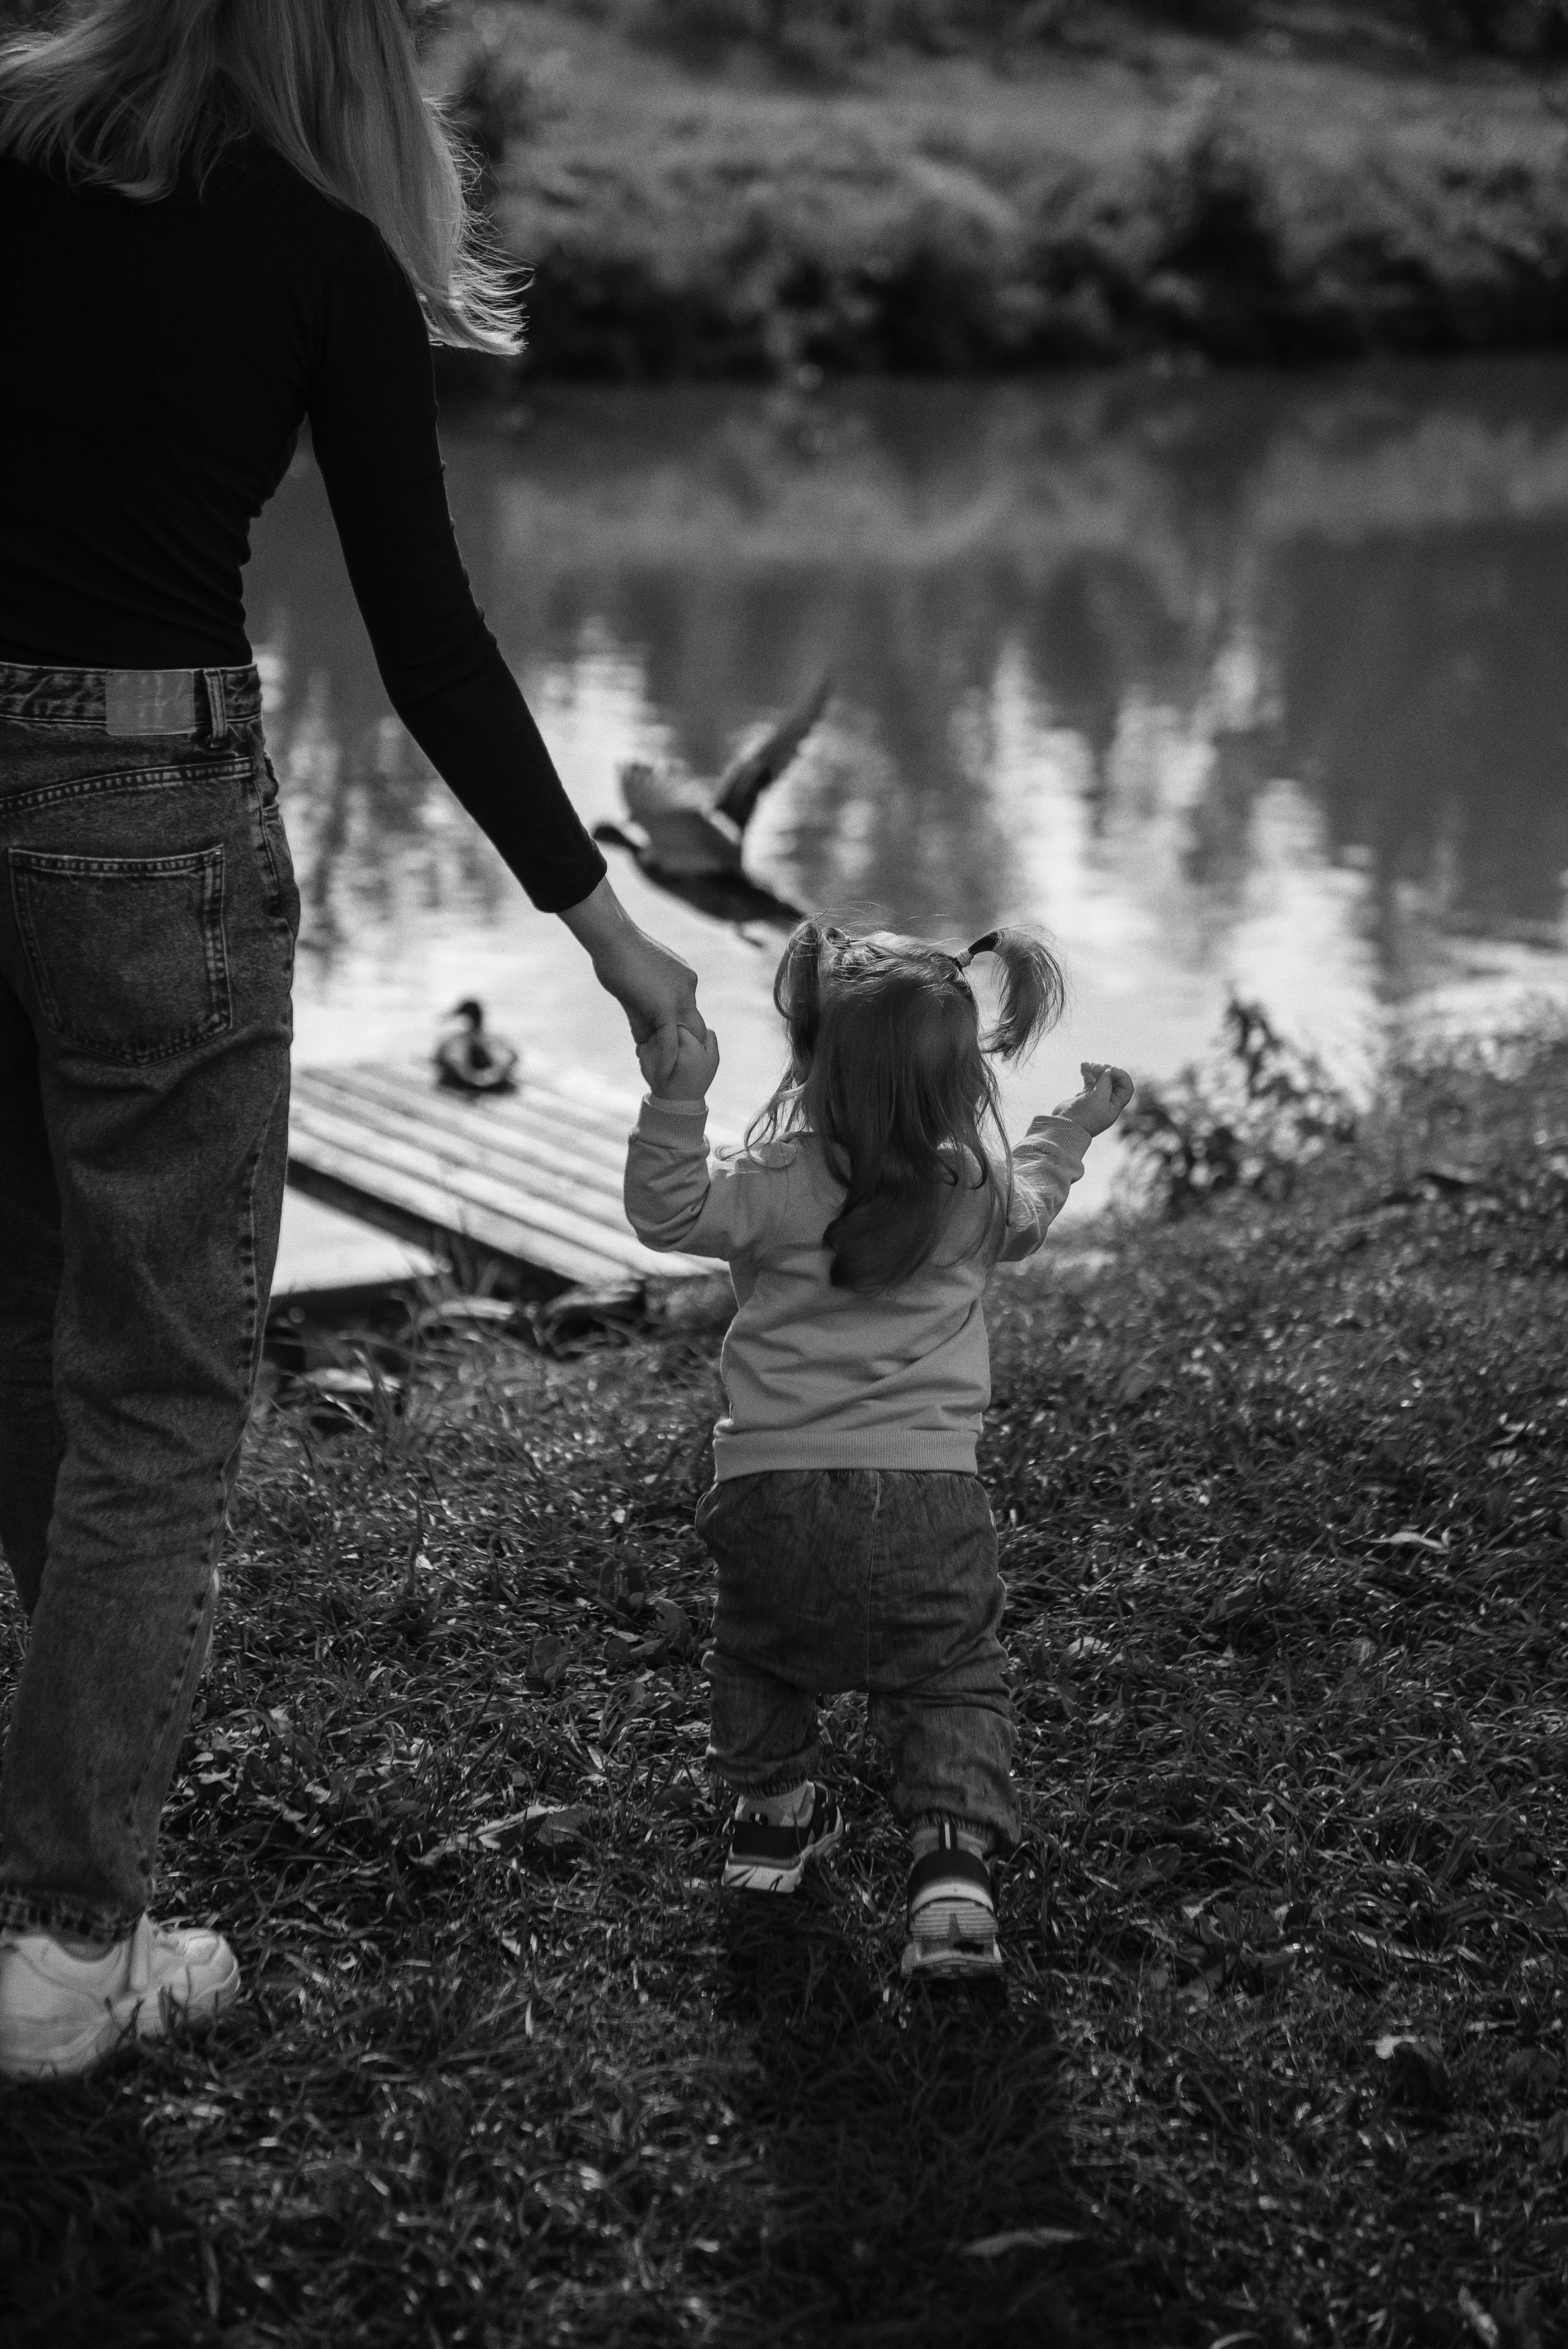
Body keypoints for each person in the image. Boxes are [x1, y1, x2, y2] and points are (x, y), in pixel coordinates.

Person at [0, 0, 706, 2082]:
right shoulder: (319, 247)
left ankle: (55, 1849)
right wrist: (617, 936)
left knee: (23, 1302)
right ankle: (63, 1942)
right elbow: (425, 636)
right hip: (146, 824)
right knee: (156, 1393)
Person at [624, 920, 1133, 1980]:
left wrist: (678, 1097)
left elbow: (667, 1212)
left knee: (762, 1653)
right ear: (960, 1090)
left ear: (812, 1063)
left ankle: (770, 1826)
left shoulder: (775, 1177)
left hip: (769, 1490)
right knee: (947, 1680)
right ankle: (949, 1876)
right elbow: (1034, 1209)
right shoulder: (973, 1190)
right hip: (931, 1497)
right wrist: (1071, 1127)